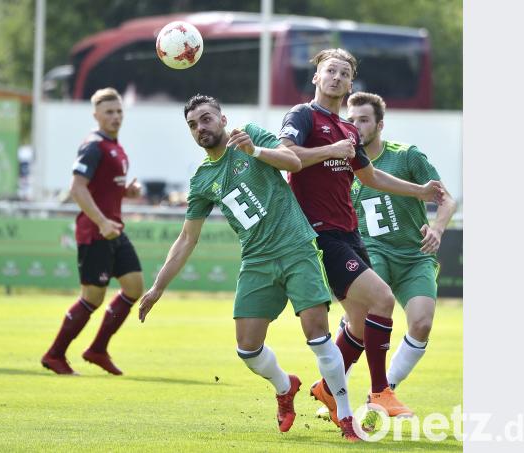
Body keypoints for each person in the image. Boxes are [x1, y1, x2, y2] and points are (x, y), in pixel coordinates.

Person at [138, 94, 361, 441]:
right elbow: (186, 239)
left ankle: (346, 415)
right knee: (247, 348)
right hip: (257, 260)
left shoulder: (251, 134)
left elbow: (293, 161)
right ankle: (285, 387)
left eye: (206, 119)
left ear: (223, 119)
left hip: (296, 247)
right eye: (193, 125)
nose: (200, 128)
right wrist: (157, 288)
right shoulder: (202, 180)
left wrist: (254, 151)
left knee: (317, 335)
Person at [277, 48, 445, 424]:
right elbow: (286, 155)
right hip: (321, 234)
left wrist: (419, 191)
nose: (336, 77)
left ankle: (326, 389)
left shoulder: (349, 131)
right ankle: (380, 391)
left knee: (359, 321)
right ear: (316, 77)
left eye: (344, 73)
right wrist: (331, 150)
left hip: (350, 233)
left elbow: (370, 176)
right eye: (330, 71)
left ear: (351, 83)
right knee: (382, 298)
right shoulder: (302, 115)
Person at [345, 91, 458, 391]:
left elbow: (447, 200)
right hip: (372, 250)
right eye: (351, 120)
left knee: (422, 324)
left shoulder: (407, 156)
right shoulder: (342, 165)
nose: (356, 126)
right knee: (360, 319)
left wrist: (437, 229)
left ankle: (385, 391)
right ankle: (336, 387)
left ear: (380, 125)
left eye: (364, 120)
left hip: (414, 255)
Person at [41, 87, 144, 376]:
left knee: (134, 286)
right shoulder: (93, 146)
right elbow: (77, 188)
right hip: (96, 232)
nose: (115, 116)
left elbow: (103, 188)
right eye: (109, 112)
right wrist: (101, 222)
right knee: (92, 298)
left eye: (119, 111)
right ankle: (54, 355)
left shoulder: (115, 146)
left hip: (114, 229)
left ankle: (97, 349)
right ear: (95, 115)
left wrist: (127, 192)